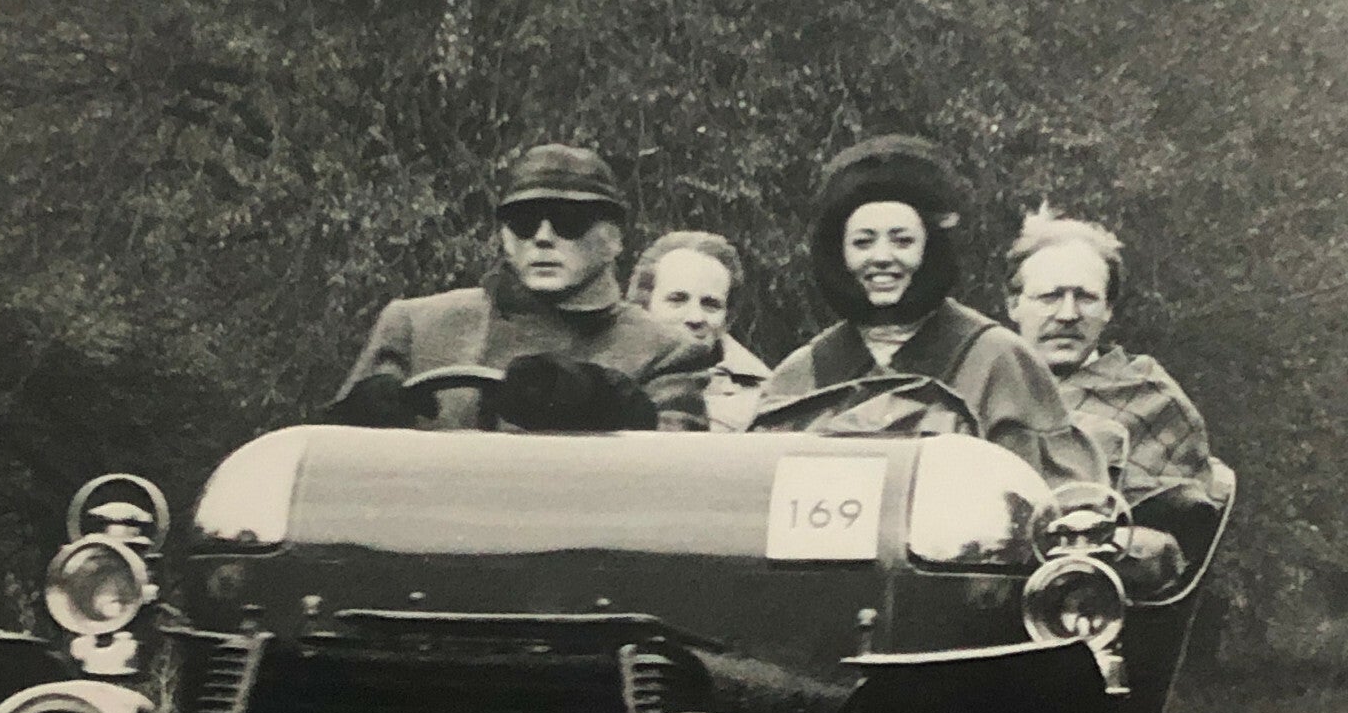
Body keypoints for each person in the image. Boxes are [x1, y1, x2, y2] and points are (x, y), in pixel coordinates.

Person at [752, 136, 1106, 492]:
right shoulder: (801, 374)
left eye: (902, 240)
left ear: (930, 248)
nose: (882, 257)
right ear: (839, 254)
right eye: (863, 242)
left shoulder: (999, 360)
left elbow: (1063, 499)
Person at [331, 144, 711, 432]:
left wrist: (606, 406)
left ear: (614, 241)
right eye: (524, 221)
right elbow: (328, 474)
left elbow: (678, 479)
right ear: (504, 237)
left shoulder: (664, 352)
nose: (543, 238)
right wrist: (357, 421)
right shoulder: (415, 327)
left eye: (569, 221)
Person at [1005, 208, 1223, 570]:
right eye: (1050, 297)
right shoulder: (983, 386)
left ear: (1107, 309)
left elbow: (1174, 533)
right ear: (1014, 305)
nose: (1068, 314)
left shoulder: (1150, 397)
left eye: (1086, 298)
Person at [626, 231, 770, 430]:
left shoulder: (764, 397)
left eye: (711, 304)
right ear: (644, 304)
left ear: (728, 316)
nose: (695, 318)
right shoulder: (604, 375)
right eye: (677, 300)